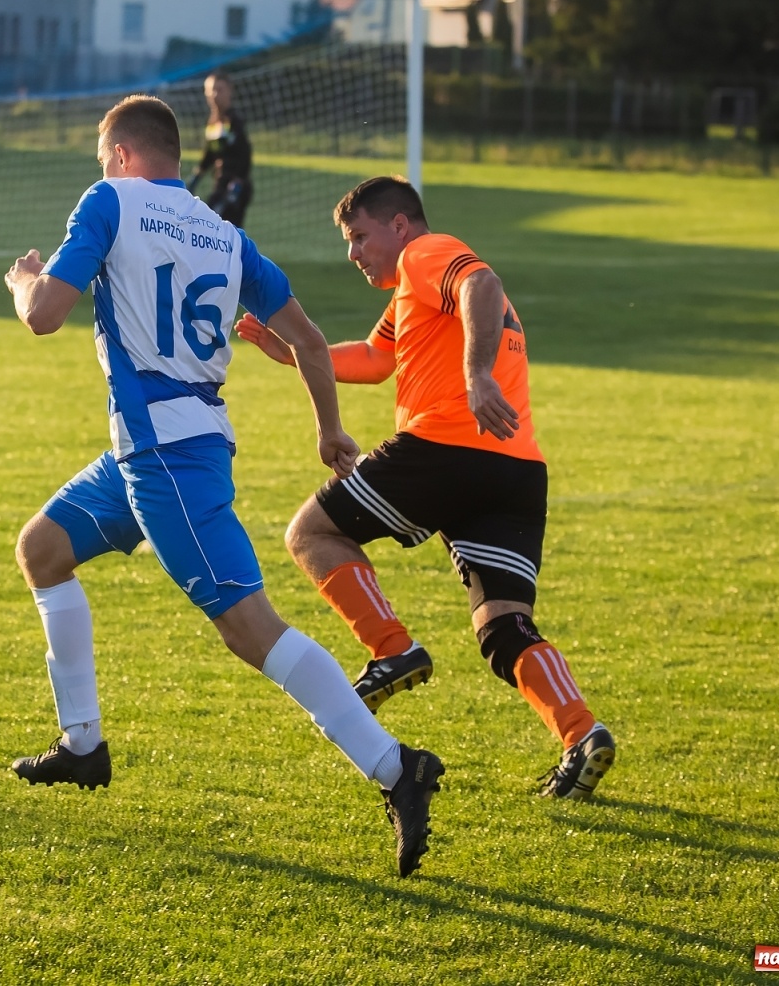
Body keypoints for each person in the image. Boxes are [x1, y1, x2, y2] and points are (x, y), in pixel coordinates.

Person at [2, 98, 444, 876]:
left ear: (118, 154)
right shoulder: (224, 233)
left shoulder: (109, 200)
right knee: (42, 548)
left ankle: (395, 767)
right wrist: (329, 429)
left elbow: (43, 317)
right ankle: (82, 745)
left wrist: (23, 280)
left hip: (165, 458)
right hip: (158, 447)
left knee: (250, 628)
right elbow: (306, 337)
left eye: (103, 160)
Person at [235, 175, 615, 801]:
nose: (353, 253)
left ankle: (394, 649)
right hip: (515, 468)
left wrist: (476, 376)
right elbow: (378, 358)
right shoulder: (415, 292)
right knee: (503, 628)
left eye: (359, 237)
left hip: (446, 448)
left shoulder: (426, 254)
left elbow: (482, 283)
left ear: (400, 226)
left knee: (313, 532)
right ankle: (581, 734)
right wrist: (293, 352)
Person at [188, 71, 253, 227]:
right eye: (210, 91)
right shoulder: (213, 123)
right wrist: (197, 176)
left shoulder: (233, 121)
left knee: (221, 229)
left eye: (219, 89)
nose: (214, 95)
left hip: (234, 187)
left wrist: (238, 181)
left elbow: (245, 153)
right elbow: (210, 153)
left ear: (230, 90)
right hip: (220, 184)